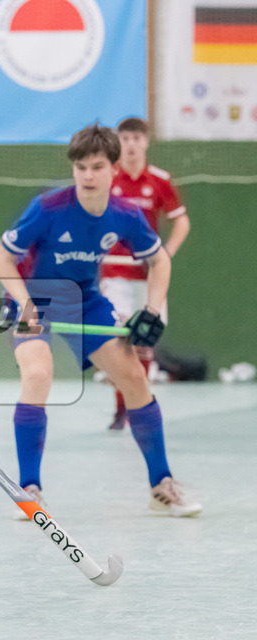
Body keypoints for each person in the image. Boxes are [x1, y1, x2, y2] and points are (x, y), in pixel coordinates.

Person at [0, 124, 201, 518]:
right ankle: (29, 488)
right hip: (32, 298)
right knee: (38, 376)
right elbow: (2, 257)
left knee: (135, 378)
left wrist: (153, 309)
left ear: (112, 168)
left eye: (97, 167)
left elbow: (158, 260)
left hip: (84, 300)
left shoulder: (125, 215)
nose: (87, 175)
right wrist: (22, 302)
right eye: (81, 167)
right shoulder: (48, 207)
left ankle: (161, 485)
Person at [100, 117, 191, 430]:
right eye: (125, 138)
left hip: (149, 275)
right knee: (119, 341)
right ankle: (120, 409)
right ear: (118, 142)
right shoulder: (107, 177)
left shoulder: (160, 180)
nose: (131, 144)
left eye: (137, 138)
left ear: (146, 142)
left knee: (144, 343)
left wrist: (166, 253)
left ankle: (141, 407)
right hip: (115, 274)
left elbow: (181, 221)